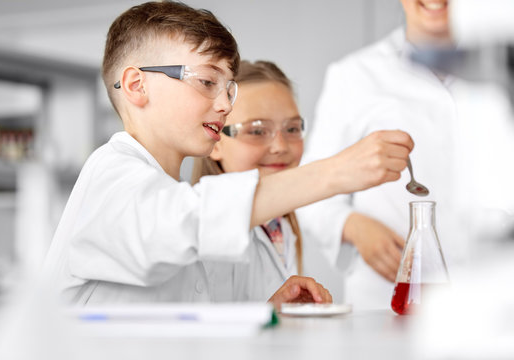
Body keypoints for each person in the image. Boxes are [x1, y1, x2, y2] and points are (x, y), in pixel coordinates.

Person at [42, 1, 414, 310]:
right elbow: (180, 222)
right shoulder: (110, 174)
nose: (223, 104)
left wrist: (263, 308)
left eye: (228, 88)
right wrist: (336, 172)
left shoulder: (162, 190)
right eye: (206, 82)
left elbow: (180, 323)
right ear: (138, 85)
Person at [297, 0, 475, 310]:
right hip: (388, 298)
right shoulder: (355, 75)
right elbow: (307, 190)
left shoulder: (501, 68)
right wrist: (352, 225)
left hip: (493, 293)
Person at [191, 60, 306, 302]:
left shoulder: (280, 226)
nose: (280, 146)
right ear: (216, 141)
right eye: (256, 130)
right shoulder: (198, 233)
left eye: (292, 129)